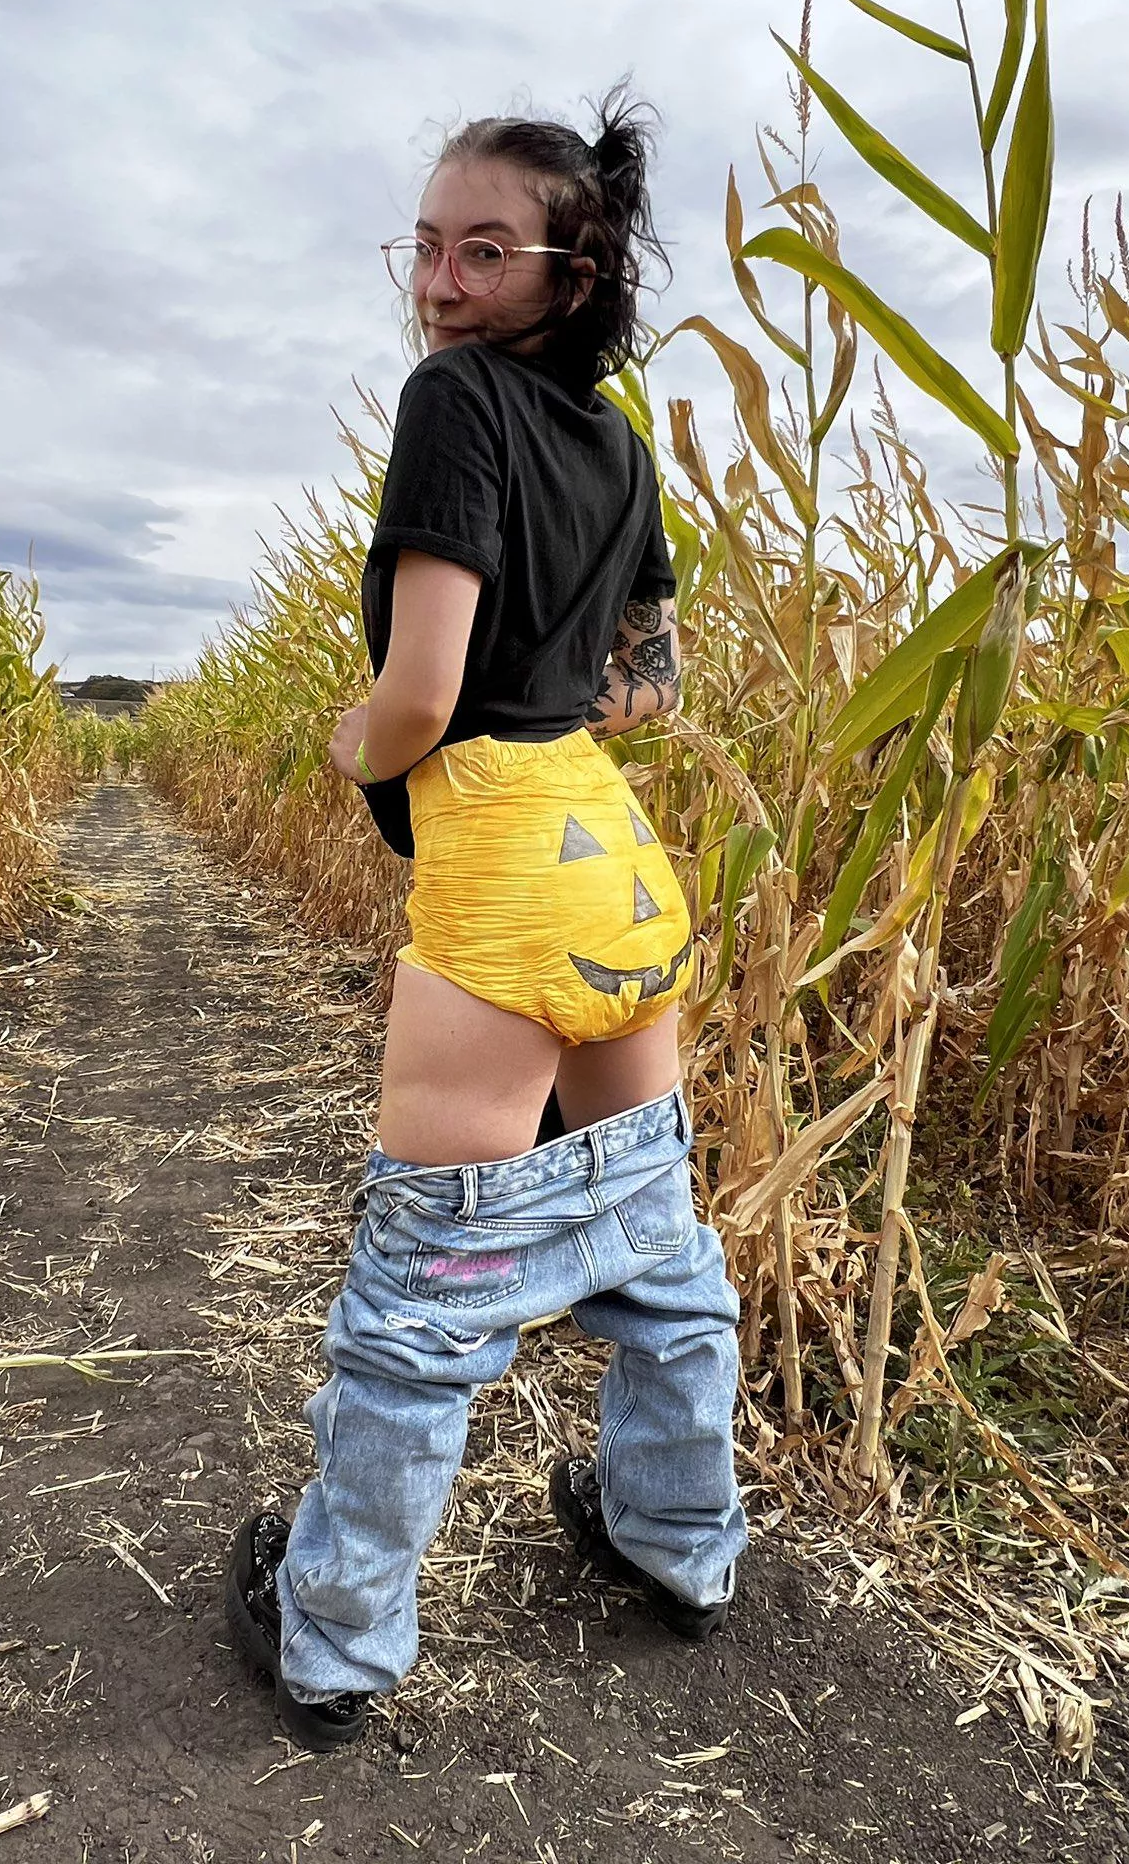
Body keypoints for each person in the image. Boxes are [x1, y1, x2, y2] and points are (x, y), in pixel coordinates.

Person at [224, 89, 746, 1751]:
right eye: (428, 247)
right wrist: (559, 694)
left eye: (485, 253)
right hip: (615, 846)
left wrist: (347, 742)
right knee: (659, 1239)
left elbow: (423, 693)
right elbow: (649, 683)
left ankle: (335, 1636)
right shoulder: (621, 445)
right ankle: (680, 1540)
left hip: (506, 862)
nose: (442, 285)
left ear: (567, 275)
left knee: (428, 1284)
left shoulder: (453, 402)